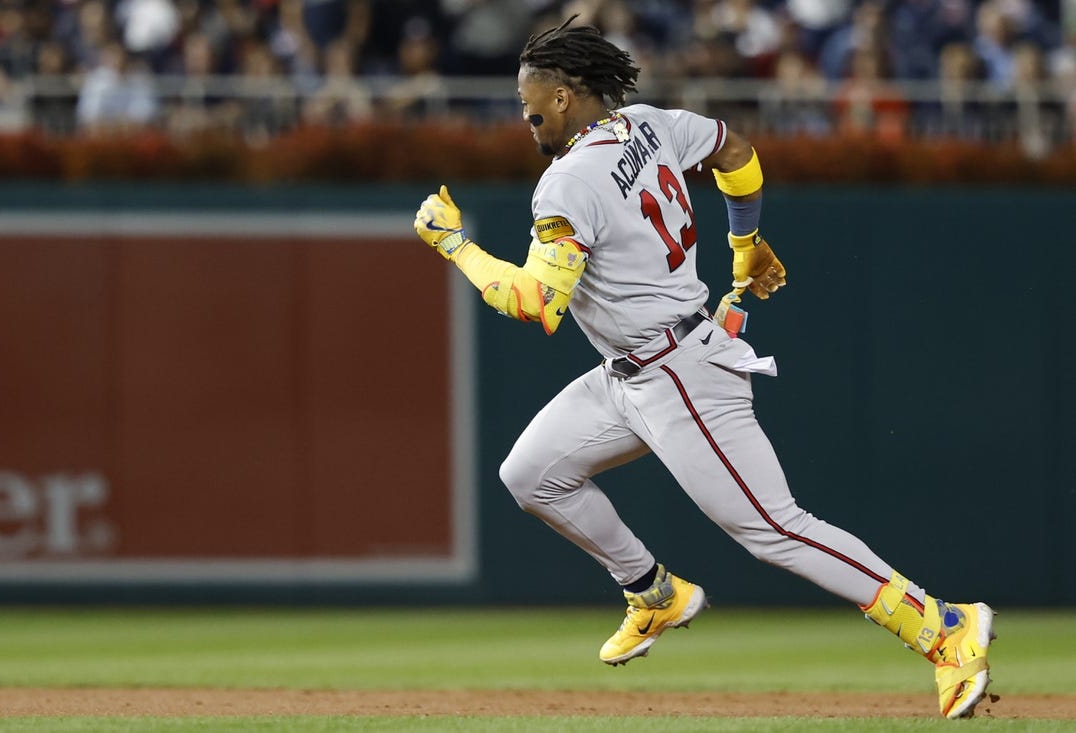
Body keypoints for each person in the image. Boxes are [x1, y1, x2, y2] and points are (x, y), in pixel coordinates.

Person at [413, 17, 995, 720]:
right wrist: (744, 240)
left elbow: (536, 304)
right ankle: (652, 590)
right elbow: (736, 150)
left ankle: (944, 628)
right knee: (531, 474)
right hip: (629, 371)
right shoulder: (652, 124)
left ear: (565, 94)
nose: (524, 111)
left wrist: (455, 245)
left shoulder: (565, 182)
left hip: (679, 373)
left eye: (529, 97)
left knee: (775, 528)